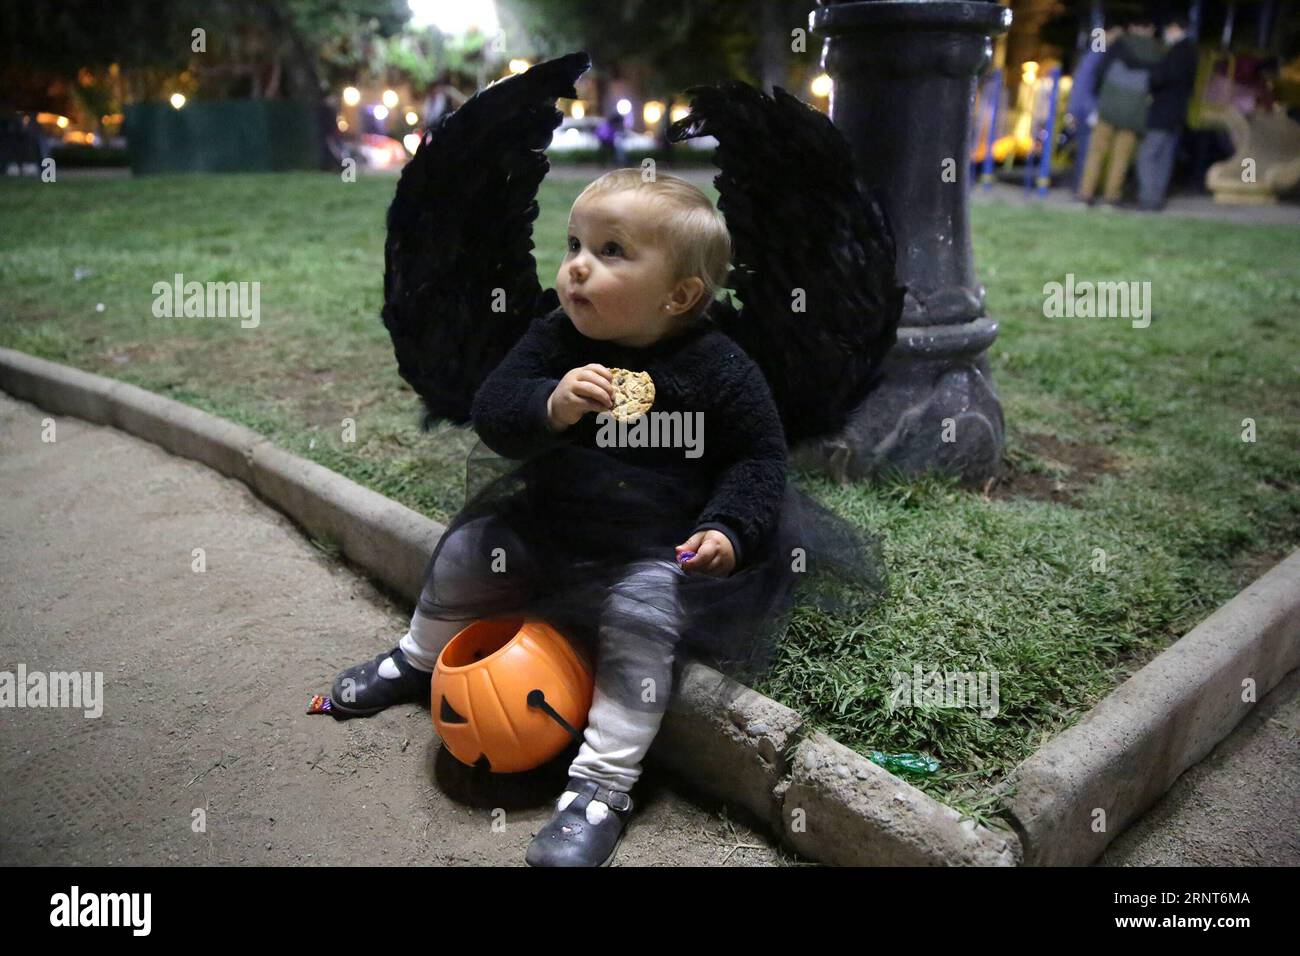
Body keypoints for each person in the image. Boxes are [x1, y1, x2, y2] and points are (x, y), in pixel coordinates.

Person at [328, 169, 884, 866]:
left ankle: (601, 784)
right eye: (573, 246)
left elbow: (759, 460)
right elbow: (498, 408)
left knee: (643, 617)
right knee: (471, 549)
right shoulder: (558, 340)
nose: (577, 268)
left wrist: (728, 528)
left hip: (658, 544)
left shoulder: (720, 368)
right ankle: (416, 658)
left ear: (679, 294)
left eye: (611, 251)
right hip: (553, 520)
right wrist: (550, 404)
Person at [1076, 16, 1163, 206]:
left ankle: (1085, 193)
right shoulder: (1157, 50)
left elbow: (1096, 70)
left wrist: (1095, 100)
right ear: (1151, 29)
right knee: (1121, 157)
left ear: (1131, 26)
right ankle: (1111, 196)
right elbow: (1158, 80)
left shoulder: (1115, 45)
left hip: (1108, 106)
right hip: (1135, 110)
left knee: (1096, 152)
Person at [1134, 15, 1199, 210]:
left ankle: (1148, 198)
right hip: (1177, 113)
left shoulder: (1178, 52)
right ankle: (1156, 197)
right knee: (1164, 157)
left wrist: (1150, 79)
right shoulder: (1190, 52)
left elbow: (1163, 77)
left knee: (1148, 154)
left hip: (1163, 111)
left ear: (1176, 28)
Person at [1066, 23, 1122, 192]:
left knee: (1086, 151)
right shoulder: (1099, 52)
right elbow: (1084, 80)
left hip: (1084, 108)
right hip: (1088, 110)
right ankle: (1081, 189)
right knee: (1087, 152)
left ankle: (1081, 187)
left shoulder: (1096, 52)